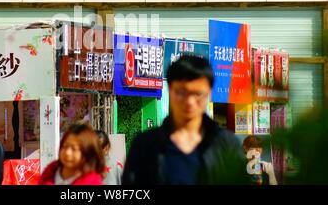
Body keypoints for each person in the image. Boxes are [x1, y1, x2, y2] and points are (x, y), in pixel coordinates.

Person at [122, 55, 249, 185]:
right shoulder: (145, 145)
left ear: (209, 92)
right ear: (170, 90)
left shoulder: (226, 144)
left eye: (198, 94)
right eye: (181, 93)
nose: (189, 102)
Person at [39, 123, 105, 185]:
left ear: (87, 152)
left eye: (74, 149)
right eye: (65, 146)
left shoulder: (93, 182)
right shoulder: (50, 172)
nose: (67, 153)